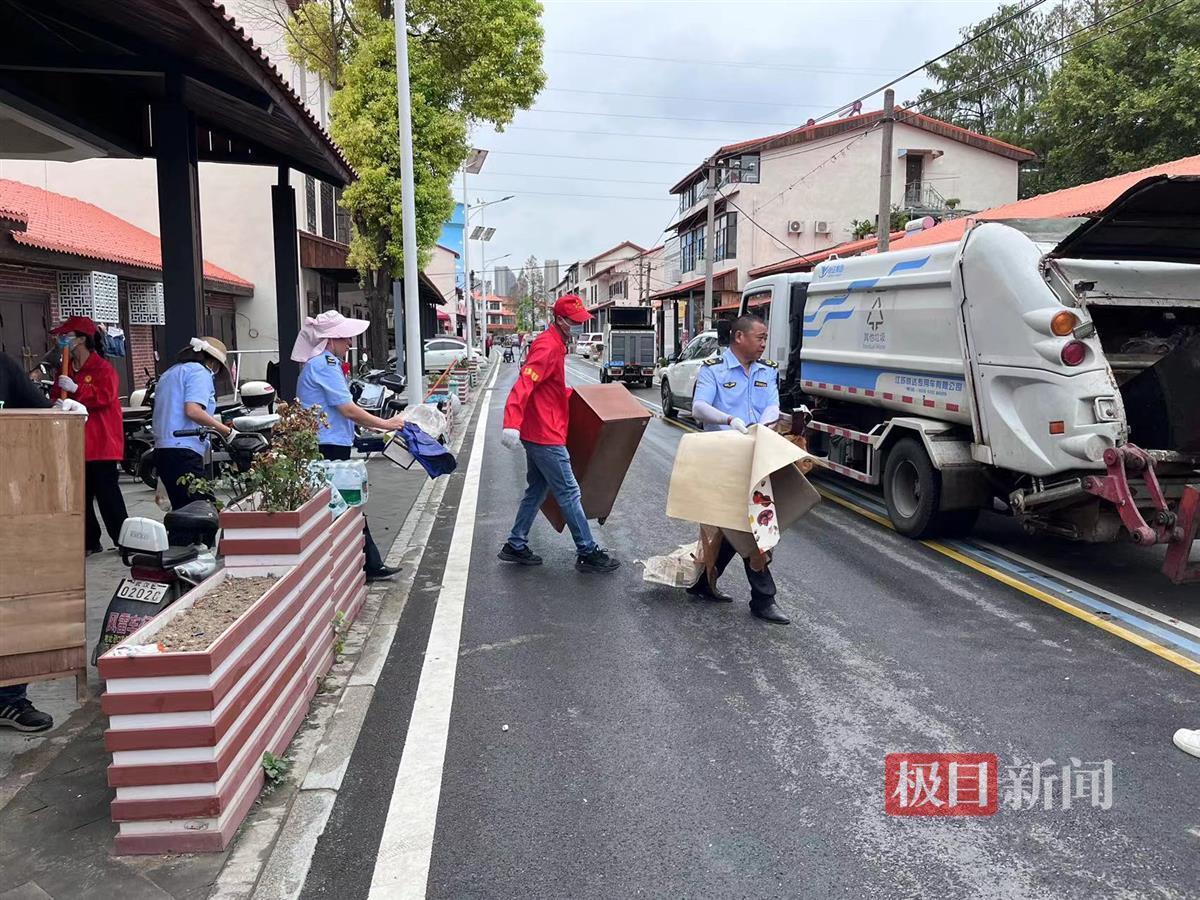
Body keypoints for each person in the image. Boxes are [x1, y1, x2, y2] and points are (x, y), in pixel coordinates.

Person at [498, 294, 618, 573]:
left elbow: (549, 389)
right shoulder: (547, 346)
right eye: (574, 322)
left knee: (538, 489)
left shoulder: (556, 344)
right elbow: (525, 383)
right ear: (560, 320)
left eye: (580, 321)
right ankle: (587, 551)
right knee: (569, 491)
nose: (577, 327)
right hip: (544, 433)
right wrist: (511, 422)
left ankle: (515, 544)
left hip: (542, 428)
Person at [686, 314, 790, 625]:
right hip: (722, 456)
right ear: (739, 337)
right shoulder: (713, 369)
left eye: (765, 337)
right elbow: (699, 407)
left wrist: (769, 418)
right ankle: (763, 598)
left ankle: (705, 581)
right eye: (759, 337)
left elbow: (772, 404)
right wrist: (729, 420)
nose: (763, 343)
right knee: (752, 524)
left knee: (733, 523)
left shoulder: (767, 370)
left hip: (755, 454)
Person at [0, 351, 84, 732]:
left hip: (9, 503)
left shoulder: (3, 367)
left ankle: (9, 699)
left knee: (14, 600)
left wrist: (63, 414)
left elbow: (40, 417)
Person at [293, 311, 406, 582]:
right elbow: (347, 408)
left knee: (343, 503)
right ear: (331, 340)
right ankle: (367, 564)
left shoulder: (318, 364)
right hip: (328, 444)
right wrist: (386, 424)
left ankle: (368, 562)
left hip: (328, 440)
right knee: (344, 503)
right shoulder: (326, 365)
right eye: (345, 339)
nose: (349, 345)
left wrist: (370, 424)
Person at [49, 316, 127, 555]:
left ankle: (124, 540)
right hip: (75, 443)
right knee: (80, 497)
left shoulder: (102, 368)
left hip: (101, 443)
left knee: (108, 495)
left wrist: (77, 389)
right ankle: (90, 541)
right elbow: (57, 397)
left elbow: (104, 396)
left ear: (81, 339)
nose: (62, 340)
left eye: (67, 336)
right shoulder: (66, 370)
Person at [153, 336, 232, 510]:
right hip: (184, 449)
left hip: (163, 449)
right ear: (212, 362)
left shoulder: (170, 372)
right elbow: (193, 410)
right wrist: (227, 431)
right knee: (202, 511)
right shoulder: (199, 373)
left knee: (182, 510)